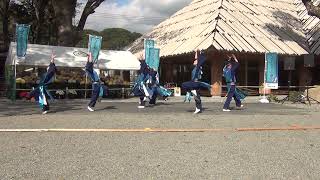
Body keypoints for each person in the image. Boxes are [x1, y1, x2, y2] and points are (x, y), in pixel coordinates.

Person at [181, 50, 211, 114]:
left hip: (195, 83)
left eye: (195, 61)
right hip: (194, 83)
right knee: (197, 97)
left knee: (183, 84)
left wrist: (198, 52)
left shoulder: (198, 67)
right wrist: (197, 53)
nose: (194, 61)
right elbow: (197, 58)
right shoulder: (195, 68)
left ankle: (190, 92)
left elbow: (199, 59)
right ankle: (198, 108)